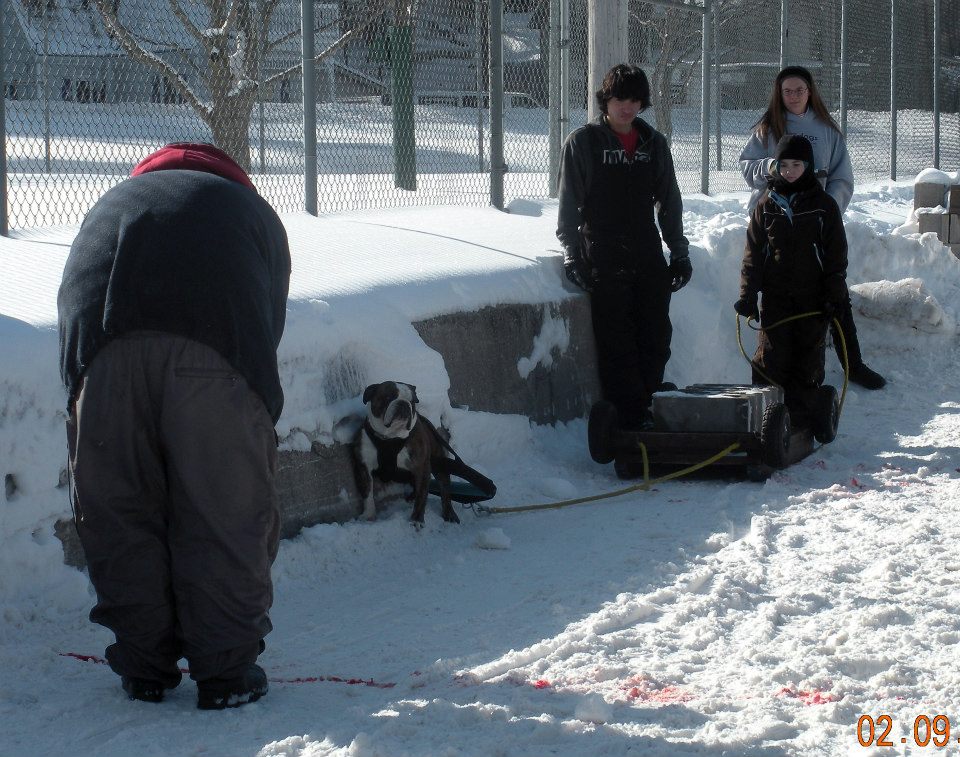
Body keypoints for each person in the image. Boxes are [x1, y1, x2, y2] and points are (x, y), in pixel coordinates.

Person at [58, 143, 291, 709]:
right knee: (224, 509)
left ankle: (143, 666)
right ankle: (227, 672)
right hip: (217, 352)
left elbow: (74, 299)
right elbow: (267, 320)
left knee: (120, 509)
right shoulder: (250, 212)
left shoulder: (112, 201)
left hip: (102, 358)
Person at [557, 63, 692, 430]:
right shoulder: (583, 142)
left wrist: (678, 251)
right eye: (619, 99)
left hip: (647, 253)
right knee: (618, 341)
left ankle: (651, 404)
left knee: (656, 334)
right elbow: (569, 206)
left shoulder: (653, 143)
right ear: (606, 100)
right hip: (604, 253)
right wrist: (573, 253)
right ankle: (628, 418)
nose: (626, 107)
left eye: (634, 100)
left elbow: (669, 201)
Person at [739, 65, 885, 390]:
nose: (793, 96)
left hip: (813, 221)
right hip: (777, 218)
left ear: (810, 92)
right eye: (787, 91)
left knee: (832, 293)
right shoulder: (767, 128)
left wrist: (825, 208)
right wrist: (771, 167)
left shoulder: (827, 130)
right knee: (779, 301)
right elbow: (746, 167)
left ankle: (853, 363)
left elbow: (842, 176)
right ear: (779, 94)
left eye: (799, 90)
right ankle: (774, 378)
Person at [735, 135, 848, 430]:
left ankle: (804, 418)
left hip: (812, 298)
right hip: (776, 297)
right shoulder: (766, 204)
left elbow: (835, 254)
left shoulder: (823, 206)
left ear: (808, 166)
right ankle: (766, 417)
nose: (789, 171)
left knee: (807, 358)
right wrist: (748, 294)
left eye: (796, 164)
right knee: (770, 357)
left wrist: (833, 292)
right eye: (784, 165)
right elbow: (753, 254)